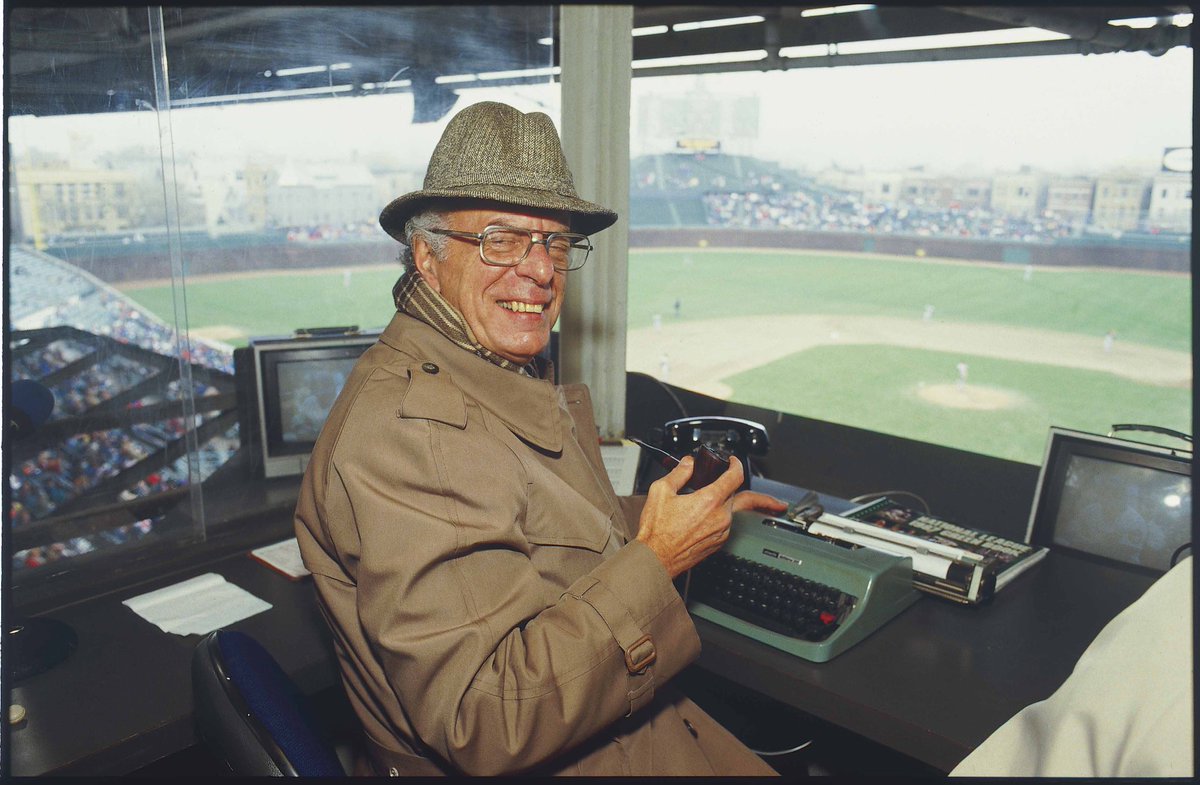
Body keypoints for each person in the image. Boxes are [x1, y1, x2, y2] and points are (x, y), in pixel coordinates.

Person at [293, 101, 788, 777]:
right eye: (501, 238)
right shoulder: (420, 436)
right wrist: (658, 558)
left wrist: (674, 519)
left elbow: (535, 530)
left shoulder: (480, 370)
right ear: (427, 258)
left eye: (555, 242)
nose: (540, 269)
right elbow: (487, 717)